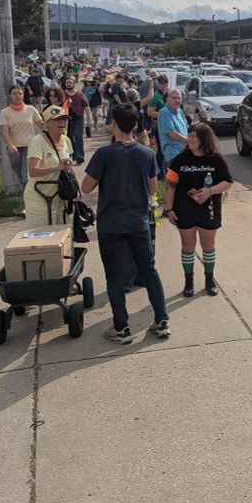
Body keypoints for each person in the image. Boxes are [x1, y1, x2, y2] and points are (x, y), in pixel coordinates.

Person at [81, 103, 169, 344]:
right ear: (135, 125)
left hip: (111, 224)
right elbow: (152, 188)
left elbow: (86, 187)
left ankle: (121, 326)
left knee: (115, 276)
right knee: (148, 269)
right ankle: (161, 320)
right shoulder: (146, 153)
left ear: (115, 124)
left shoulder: (104, 154)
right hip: (139, 222)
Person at [164, 123, 233, 297]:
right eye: (190, 136)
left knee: (208, 246)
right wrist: (169, 208)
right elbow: (170, 186)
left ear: (204, 139)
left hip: (208, 209)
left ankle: (209, 280)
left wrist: (210, 191)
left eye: (195, 136)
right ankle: (189, 282)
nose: (191, 139)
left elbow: (228, 182)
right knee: (188, 247)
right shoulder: (180, 160)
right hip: (184, 209)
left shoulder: (216, 159)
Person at [23, 105, 75, 225]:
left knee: (62, 234)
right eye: (57, 119)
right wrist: (56, 168)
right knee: (42, 236)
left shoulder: (66, 141)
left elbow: (66, 165)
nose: (62, 122)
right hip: (40, 197)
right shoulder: (37, 142)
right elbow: (33, 171)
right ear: (47, 124)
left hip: (61, 196)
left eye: (64, 119)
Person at [0, 85, 43, 194]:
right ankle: (28, 195)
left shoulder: (31, 109)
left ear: (23, 95)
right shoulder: (5, 112)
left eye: (20, 93)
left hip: (30, 146)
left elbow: (42, 125)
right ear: (10, 96)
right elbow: (4, 131)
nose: (17, 96)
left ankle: (27, 202)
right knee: (20, 175)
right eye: (14, 94)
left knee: (25, 176)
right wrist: (10, 145)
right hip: (15, 149)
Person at [157, 89, 188, 169]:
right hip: (173, 153)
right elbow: (171, 133)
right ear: (167, 99)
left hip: (184, 151)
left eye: (179, 98)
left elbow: (187, 128)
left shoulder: (180, 111)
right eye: (174, 98)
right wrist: (187, 140)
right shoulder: (164, 112)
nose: (177, 100)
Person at [63, 77, 89, 164]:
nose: (69, 84)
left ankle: (79, 156)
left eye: (70, 82)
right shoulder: (62, 95)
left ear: (74, 84)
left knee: (78, 137)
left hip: (79, 118)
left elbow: (86, 107)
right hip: (66, 119)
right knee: (68, 138)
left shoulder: (79, 94)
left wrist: (89, 120)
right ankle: (71, 155)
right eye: (67, 83)